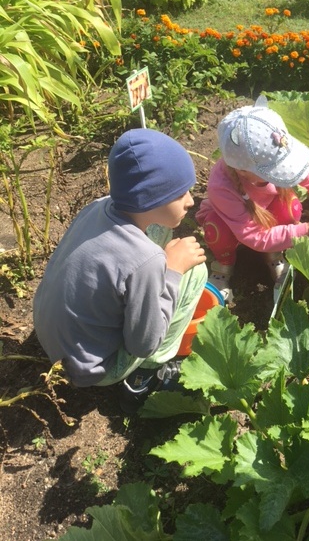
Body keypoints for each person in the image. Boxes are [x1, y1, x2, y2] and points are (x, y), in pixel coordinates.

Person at [33, 128, 208, 413]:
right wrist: (173, 270)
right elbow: (143, 344)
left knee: (158, 235)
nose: (190, 200)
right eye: (180, 194)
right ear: (150, 199)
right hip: (94, 368)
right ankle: (144, 378)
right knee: (195, 273)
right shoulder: (146, 259)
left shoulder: (98, 206)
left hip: (53, 340)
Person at [195, 102, 309, 302]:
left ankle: (274, 254)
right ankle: (223, 269)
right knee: (216, 229)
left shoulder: (274, 152)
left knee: (291, 206)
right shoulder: (221, 187)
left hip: (266, 216)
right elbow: (256, 237)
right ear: (242, 171)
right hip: (234, 227)